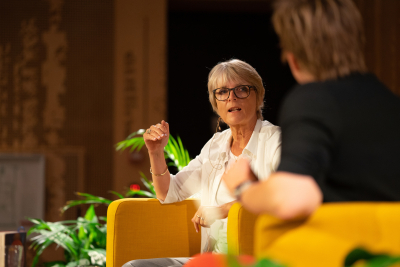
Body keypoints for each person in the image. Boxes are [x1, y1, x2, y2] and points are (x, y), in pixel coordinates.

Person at [222, 0, 400, 219]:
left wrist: (244, 187)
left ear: (294, 59)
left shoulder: (313, 99)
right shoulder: (389, 100)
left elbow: (295, 197)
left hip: (345, 250)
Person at [122, 59, 281, 267]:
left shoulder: (275, 140)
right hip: (213, 258)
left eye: (242, 89)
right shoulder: (216, 145)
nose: (232, 97)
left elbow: (280, 193)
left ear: (259, 96)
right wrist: (156, 152)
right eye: (222, 92)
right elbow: (169, 193)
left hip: (258, 257)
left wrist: (223, 209)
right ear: (216, 104)